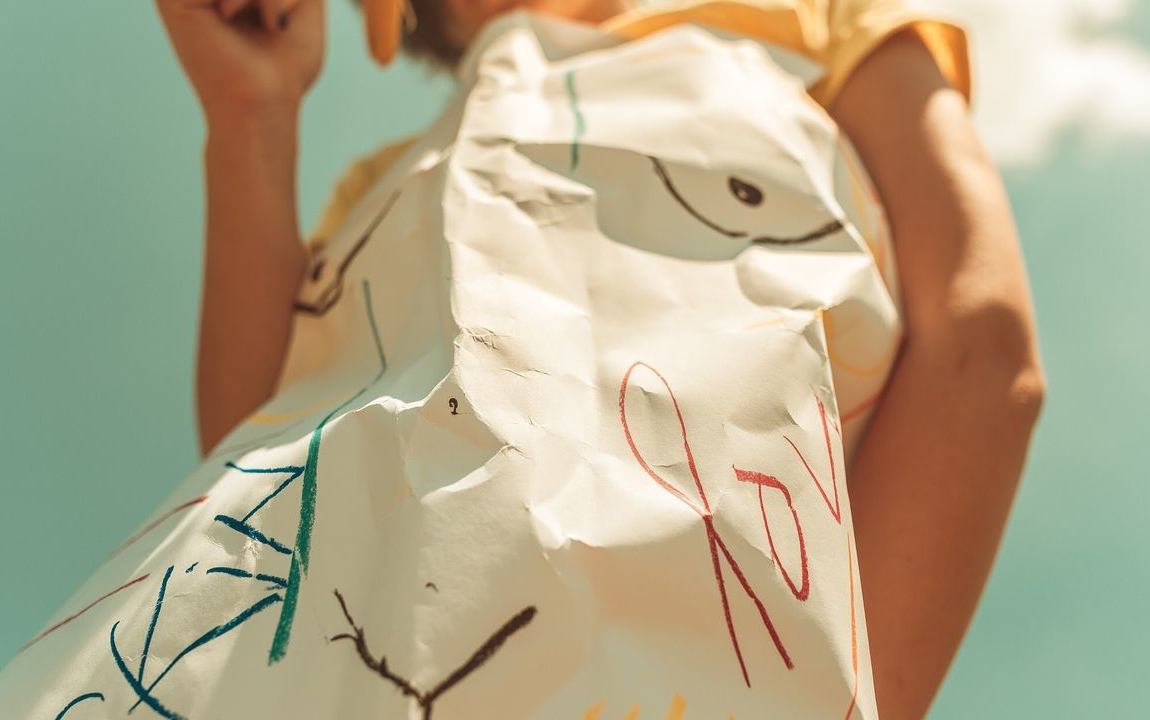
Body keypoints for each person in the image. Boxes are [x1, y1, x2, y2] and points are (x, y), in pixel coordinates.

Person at [152, 0, 1046, 717]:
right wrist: (251, 112)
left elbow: (979, 346)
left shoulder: (815, 21)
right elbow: (256, 474)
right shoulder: (385, 186)